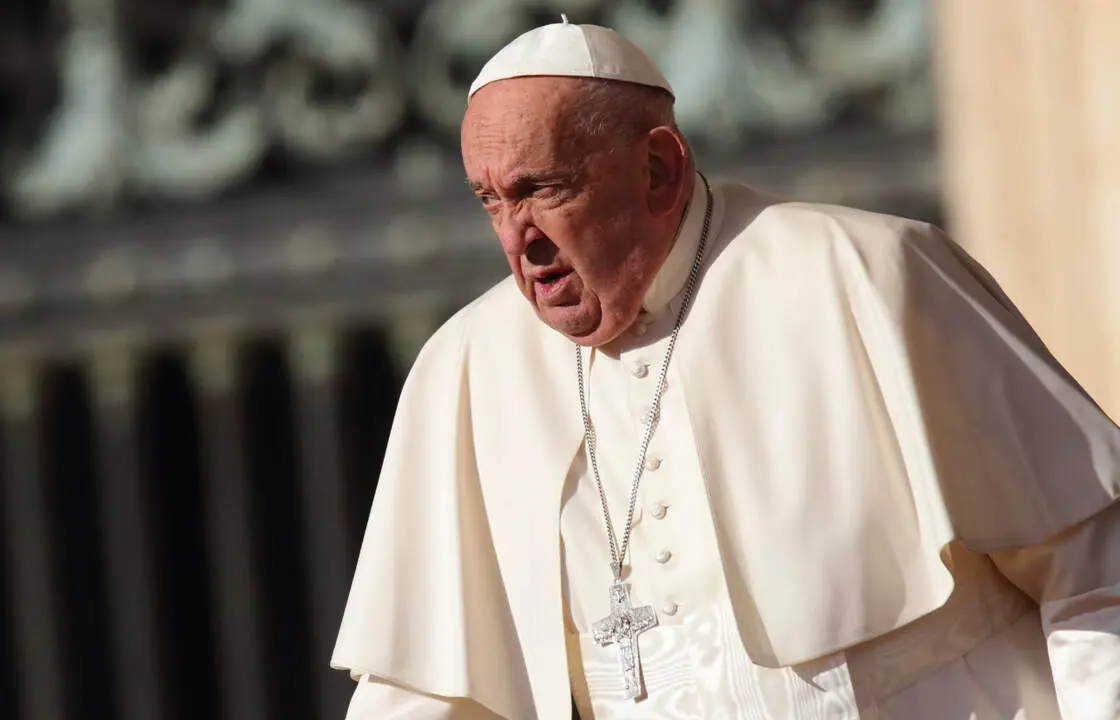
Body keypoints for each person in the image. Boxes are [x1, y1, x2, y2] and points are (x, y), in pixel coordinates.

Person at [331, 17, 1120, 720]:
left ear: (659, 170)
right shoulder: (468, 369)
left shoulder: (864, 272)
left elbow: (1096, 567)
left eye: (544, 189)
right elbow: (425, 696)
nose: (518, 238)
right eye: (491, 201)